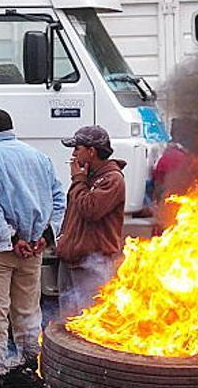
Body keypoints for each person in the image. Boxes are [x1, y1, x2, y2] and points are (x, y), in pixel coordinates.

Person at [0, 109, 65, 388]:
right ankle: (31, 367)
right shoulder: (39, 158)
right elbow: (58, 198)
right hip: (32, 249)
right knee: (28, 311)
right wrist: (45, 236)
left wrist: (8, 237)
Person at [56, 125, 127, 318]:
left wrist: (78, 179)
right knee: (68, 322)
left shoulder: (112, 179)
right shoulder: (87, 178)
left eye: (77, 149)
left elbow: (91, 210)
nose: (73, 154)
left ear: (91, 151)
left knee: (89, 322)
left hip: (92, 264)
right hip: (72, 261)